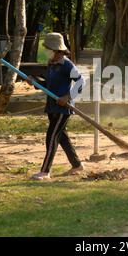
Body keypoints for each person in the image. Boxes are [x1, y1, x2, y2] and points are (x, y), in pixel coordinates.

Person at [27, 32, 85, 180]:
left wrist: (68, 97)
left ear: (57, 50)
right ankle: (77, 165)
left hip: (63, 108)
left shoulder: (67, 65)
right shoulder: (51, 64)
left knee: (51, 136)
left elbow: (81, 82)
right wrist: (35, 82)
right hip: (52, 106)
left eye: (48, 49)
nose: (46, 52)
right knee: (62, 137)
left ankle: (45, 171)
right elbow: (48, 85)